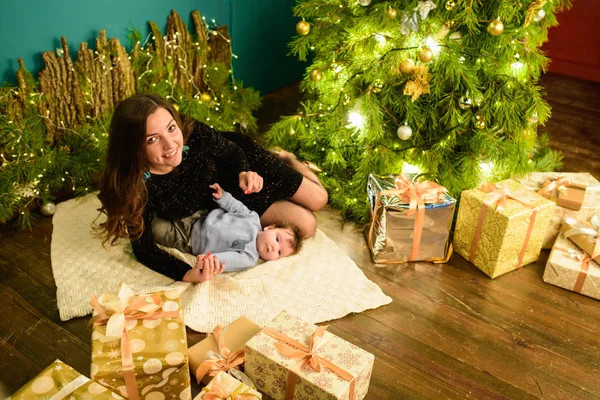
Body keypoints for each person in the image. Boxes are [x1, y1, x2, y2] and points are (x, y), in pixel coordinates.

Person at [96, 93, 327, 282]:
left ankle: (290, 160)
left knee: (319, 199)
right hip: (225, 204)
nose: (171, 144)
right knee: (306, 225)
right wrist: (186, 273)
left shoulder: (191, 134)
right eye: (152, 139)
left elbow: (233, 151)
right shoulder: (136, 185)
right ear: (132, 148)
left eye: (170, 128)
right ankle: (283, 192)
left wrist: (244, 171)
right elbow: (144, 248)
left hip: (237, 176)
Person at [152, 183, 303, 282]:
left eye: (279, 252)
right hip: (198, 215)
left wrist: (209, 261)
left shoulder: (249, 257)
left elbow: (226, 260)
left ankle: (140, 218)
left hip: (187, 239)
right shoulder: (253, 218)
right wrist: (224, 197)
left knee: (156, 228)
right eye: (277, 239)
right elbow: (236, 207)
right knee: (167, 206)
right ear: (270, 227)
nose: (273, 248)